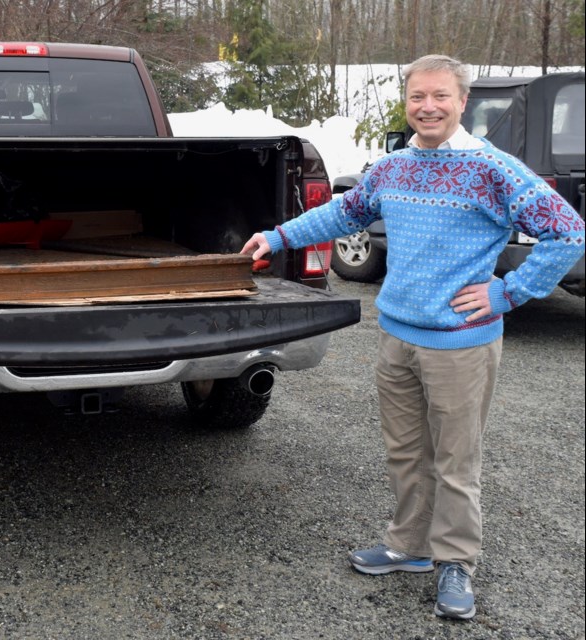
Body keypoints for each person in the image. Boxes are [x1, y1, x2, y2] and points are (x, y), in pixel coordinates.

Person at [242, 54, 584, 620]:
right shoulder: (394, 167)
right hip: (397, 335)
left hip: (461, 343)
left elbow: (568, 232)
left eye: (440, 96)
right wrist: (276, 237)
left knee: (455, 461)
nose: (427, 106)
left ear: (461, 102)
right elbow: (343, 214)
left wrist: (508, 293)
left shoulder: (493, 169)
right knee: (406, 452)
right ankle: (410, 546)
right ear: (407, 101)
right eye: (417, 96)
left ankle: (456, 562)